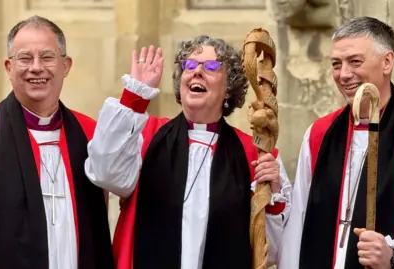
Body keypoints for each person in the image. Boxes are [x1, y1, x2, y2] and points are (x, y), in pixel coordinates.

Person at [85, 36, 293, 269]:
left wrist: (272, 196)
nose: (197, 72)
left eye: (212, 66)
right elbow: (104, 172)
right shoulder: (146, 136)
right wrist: (136, 97)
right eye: (190, 65)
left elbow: (271, 253)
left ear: (228, 88)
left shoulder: (255, 155)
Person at [277, 16, 394, 269]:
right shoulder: (319, 134)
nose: (343, 74)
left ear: (387, 62)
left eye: (355, 62)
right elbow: (298, 224)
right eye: (336, 64)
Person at [0, 16, 114, 269]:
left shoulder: (91, 135)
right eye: (25, 58)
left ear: (65, 66)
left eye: (47, 57)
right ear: (9, 67)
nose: (36, 68)